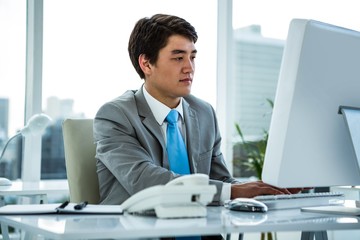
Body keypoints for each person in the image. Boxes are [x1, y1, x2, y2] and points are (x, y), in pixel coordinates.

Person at [93, 14, 300, 207]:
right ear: (146, 63)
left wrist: (268, 190)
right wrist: (233, 191)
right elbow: (146, 181)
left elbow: (221, 181)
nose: (189, 68)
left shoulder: (204, 112)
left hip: (204, 231)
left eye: (192, 57)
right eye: (178, 58)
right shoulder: (115, 116)